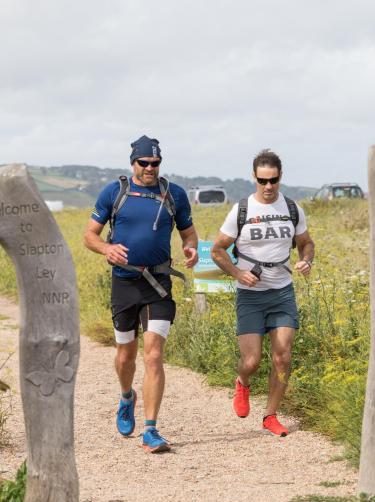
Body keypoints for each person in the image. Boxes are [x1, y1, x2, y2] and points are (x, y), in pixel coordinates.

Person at [84, 135, 198, 453]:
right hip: (124, 283)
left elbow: (188, 231)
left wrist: (190, 249)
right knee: (125, 356)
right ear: (133, 163)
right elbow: (89, 236)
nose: (150, 168)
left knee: (154, 355)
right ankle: (126, 397)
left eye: (155, 163)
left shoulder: (173, 194)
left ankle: (151, 429)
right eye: (144, 163)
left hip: (158, 284)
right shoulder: (115, 192)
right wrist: (107, 248)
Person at [210, 149, 315, 436]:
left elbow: (306, 242)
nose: (268, 187)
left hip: (282, 292)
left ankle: (270, 415)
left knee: (282, 356)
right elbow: (218, 250)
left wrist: (306, 259)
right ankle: (242, 382)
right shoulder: (242, 210)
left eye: (274, 181)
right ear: (254, 178)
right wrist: (237, 273)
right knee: (252, 361)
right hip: (250, 294)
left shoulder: (292, 208)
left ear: (281, 177)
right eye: (262, 181)